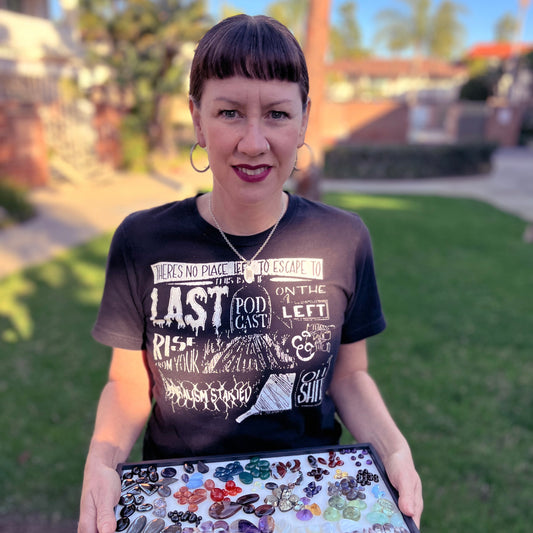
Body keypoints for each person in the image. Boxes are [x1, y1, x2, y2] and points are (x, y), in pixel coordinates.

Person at [77, 14, 423, 533]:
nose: (254, 142)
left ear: (304, 119)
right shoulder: (141, 240)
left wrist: (395, 448)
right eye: (230, 112)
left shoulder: (345, 238)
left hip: (311, 494)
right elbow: (128, 382)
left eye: (278, 114)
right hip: (182, 495)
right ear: (198, 118)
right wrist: (102, 462)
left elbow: (350, 375)